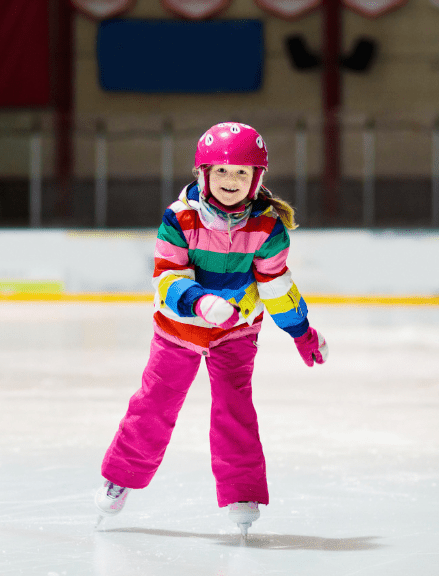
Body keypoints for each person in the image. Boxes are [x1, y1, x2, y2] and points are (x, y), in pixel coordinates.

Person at [94, 122, 328, 536]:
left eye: (241, 172)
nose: (230, 181)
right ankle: (121, 477)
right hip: (178, 329)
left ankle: (242, 490)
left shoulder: (268, 229)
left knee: (234, 409)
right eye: (220, 171)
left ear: (257, 179)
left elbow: (276, 286)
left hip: (235, 332)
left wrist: (301, 332)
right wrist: (201, 301)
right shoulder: (179, 218)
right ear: (202, 174)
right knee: (155, 404)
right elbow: (166, 276)